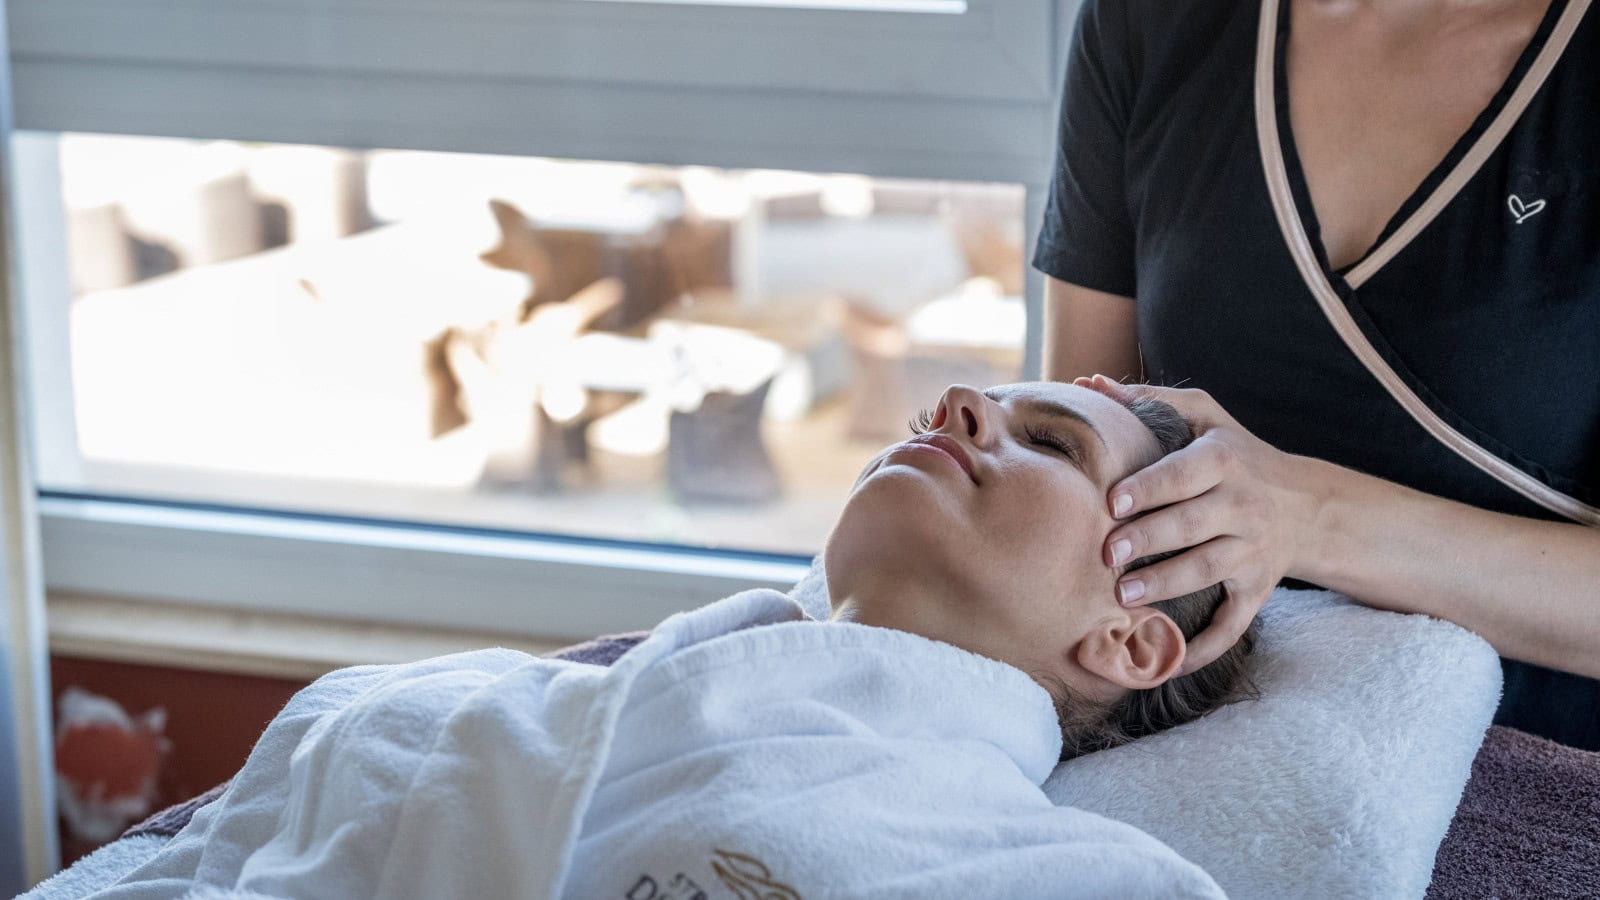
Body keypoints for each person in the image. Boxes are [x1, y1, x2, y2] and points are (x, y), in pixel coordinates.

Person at [89, 382, 1254, 898]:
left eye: (1049, 444)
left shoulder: (1061, 876)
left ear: (1133, 639)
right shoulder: (459, 710)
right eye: (988, 402)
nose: (956, 402)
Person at [1035, 0, 1599, 749]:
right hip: (1180, 759)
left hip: (1542, 781)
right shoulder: (1149, 20)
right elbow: (1076, 471)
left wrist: (1310, 517)